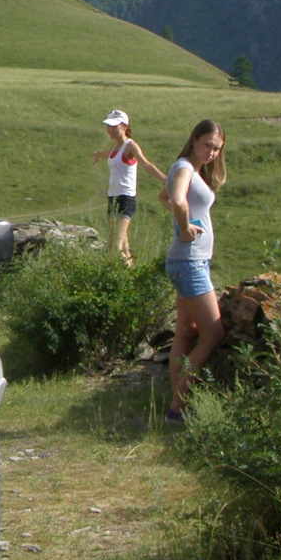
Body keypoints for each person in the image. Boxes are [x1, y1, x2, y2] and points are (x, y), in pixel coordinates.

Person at [159, 119, 226, 426]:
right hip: (190, 262)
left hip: (188, 261)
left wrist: (183, 221)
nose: (211, 153)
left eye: (216, 148)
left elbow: (166, 196)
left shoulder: (189, 168)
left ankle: (177, 406)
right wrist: (185, 228)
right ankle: (178, 406)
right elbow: (175, 199)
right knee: (213, 334)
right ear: (194, 139)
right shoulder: (185, 167)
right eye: (207, 145)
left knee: (185, 333)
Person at [92, 110, 164, 265]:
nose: (110, 130)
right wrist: (98, 154)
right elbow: (107, 154)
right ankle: (132, 274)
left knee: (116, 245)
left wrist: (165, 179)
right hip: (113, 197)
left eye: (114, 126)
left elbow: (145, 164)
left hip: (126, 197)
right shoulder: (114, 148)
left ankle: (116, 277)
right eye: (108, 126)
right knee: (121, 244)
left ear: (124, 126)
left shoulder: (130, 146)